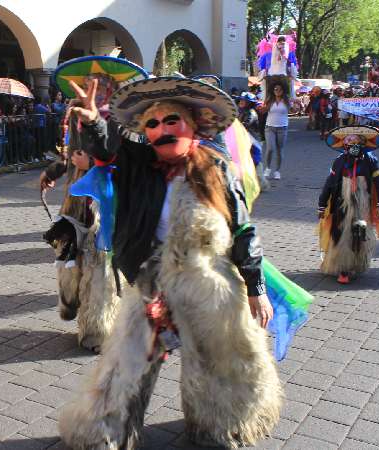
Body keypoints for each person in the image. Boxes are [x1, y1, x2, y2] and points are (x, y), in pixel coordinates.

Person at [58, 76, 280, 449]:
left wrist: (256, 287)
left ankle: (218, 427)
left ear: (192, 123)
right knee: (127, 363)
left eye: (170, 120)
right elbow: (106, 149)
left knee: (218, 363)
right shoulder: (138, 164)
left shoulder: (216, 168)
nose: (161, 130)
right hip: (150, 281)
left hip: (207, 280)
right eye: (152, 124)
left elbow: (242, 228)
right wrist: (94, 121)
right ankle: (106, 433)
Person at [39, 55, 148, 353]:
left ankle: (98, 330)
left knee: (101, 269)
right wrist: (52, 173)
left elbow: (127, 163)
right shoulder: (76, 118)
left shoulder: (122, 122)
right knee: (71, 262)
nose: (93, 90)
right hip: (74, 204)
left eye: (100, 85)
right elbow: (68, 154)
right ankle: (73, 307)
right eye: (88, 85)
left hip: (105, 208)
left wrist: (95, 163)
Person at [319, 126, 379, 284]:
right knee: (341, 234)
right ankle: (343, 269)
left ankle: (355, 264)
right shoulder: (339, 161)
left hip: (362, 204)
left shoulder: (370, 160)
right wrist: (322, 205)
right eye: (348, 140)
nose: (351, 142)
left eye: (355, 139)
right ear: (343, 144)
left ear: (362, 143)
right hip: (342, 204)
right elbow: (330, 184)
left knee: (359, 233)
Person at [260, 81, 290, 180]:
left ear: (283, 90)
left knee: (279, 150)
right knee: (270, 148)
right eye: (275, 89)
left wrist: (297, 107)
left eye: (279, 89)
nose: (277, 91)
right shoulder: (269, 100)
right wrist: (260, 108)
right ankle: (268, 168)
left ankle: (277, 171)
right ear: (273, 90)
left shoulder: (287, 101)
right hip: (269, 128)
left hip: (283, 128)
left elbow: (294, 110)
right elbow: (263, 111)